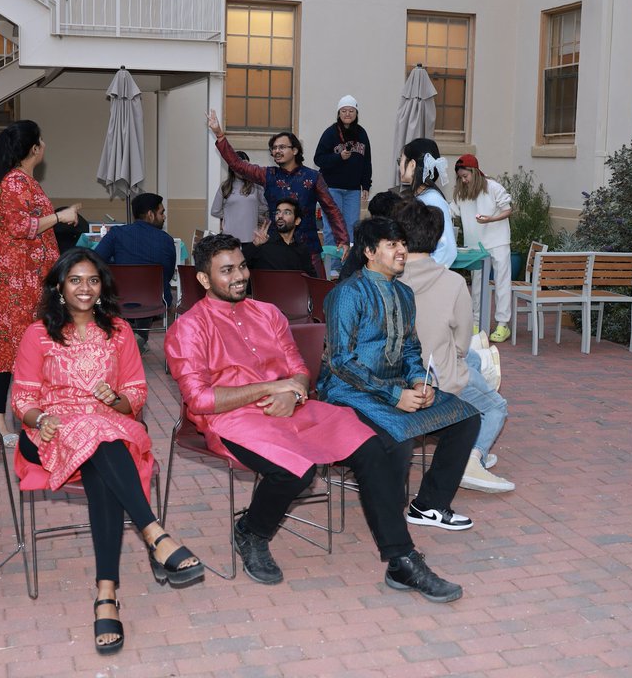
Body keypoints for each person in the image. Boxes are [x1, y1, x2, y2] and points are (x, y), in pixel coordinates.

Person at [166, 233, 464, 601]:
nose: (239, 276)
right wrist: (271, 390)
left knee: (374, 447)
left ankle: (401, 560)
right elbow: (200, 398)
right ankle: (252, 532)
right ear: (204, 279)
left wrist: (293, 392)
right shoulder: (189, 328)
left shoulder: (268, 313)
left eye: (242, 266)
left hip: (295, 408)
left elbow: (299, 371)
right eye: (226, 271)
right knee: (297, 468)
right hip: (232, 419)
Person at [14, 249, 203, 653]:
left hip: (111, 430)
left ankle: (106, 594)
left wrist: (114, 398)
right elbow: (23, 398)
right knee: (99, 440)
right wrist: (37, 419)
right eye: (75, 280)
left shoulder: (119, 331)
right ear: (59, 288)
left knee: (102, 445)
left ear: (102, 287)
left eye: (93, 280)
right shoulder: (38, 334)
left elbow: (135, 394)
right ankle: (154, 533)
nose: (85, 288)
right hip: (52, 432)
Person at [322, 217, 480, 531]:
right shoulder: (349, 294)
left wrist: (421, 381)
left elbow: (410, 349)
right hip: (346, 392)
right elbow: (341, 361)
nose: (402, 251)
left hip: (395, 389)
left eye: (403, 244)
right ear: (369, 252)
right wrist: (395, 396)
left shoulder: (404, 294)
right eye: (392, 245)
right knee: (399, 435)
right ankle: (390, 524)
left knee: (466, 418)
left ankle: (429, 505)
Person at [394, 199, 514, 493]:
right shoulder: (452, 282)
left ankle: (472, 447)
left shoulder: (387, 279)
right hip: (435, 379)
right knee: (496, 406)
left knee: (472, 361)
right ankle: (472, 460)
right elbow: (459, 343)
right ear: (436, 240)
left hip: (394, 375)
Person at [0, 120, 80, 444]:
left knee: (30, 348)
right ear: (33, 148)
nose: (45, 145)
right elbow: (22, 225)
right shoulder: (15, 182)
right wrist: (61, 216)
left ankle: (29, 415)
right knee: (9, 350)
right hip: (16, 283)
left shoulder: (24, 181)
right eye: (42, 140)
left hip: (30, 280)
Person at [205, 109, 347, 278]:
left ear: (295, 150)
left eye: (282, 147)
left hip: (308, 248)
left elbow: (331, 209)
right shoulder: (268, 175)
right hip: (274, 249)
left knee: (317, 294)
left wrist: (342, 239)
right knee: (274, 293)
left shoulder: (313, 177)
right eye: (273, 148)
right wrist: (220, 135)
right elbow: (238, 165)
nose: (276, 151)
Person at [94, 192, 177, 350]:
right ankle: (139, 336)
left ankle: (124, 336)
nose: (164, 217)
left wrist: (116, 266)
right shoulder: (166, 239)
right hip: (155, 299)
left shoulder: (117, 234)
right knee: (147, 290)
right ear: (150, 215)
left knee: (121, 290)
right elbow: (168, 273)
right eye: (162, 212)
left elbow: (96, 259)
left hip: (118, 297)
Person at [452, 154, 514, 343]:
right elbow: (451, 210)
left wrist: (491, 219)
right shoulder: (461, 192)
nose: (463, 180)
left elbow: (508, 208)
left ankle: (503, 325)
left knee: (502, 282)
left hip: (498, 240)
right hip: (476, 245)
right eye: (460, 177)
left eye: (465, 176)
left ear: (474, 172)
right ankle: (477, 323)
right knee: (478, 285)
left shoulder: (493, 187)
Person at [314, 95, 373, 274]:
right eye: (344, 111)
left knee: (351, 228)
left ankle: (348, 267)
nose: (347, 114)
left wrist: (366, 185)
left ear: (356, 113)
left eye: (351, 111)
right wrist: (338, 157)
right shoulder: (330, 133)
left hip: (353, 190)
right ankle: (333, 268)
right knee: (332, 228)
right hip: (331, 188)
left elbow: (367, 162)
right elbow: (318, 159)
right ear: (339, 113)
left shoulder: (362, 133)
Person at [399, 138, 457, 268]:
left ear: (412, 164)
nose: (399, 166)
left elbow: (448, 250)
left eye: (400, 160)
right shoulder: (419, 196)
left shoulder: (433, 199)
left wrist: (424, 274)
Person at [242, 198, 317, 276]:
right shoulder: (263, 244)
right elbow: (237, 264)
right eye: (278, 212)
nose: (280, 216)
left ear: (297, 221)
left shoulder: (302, 249)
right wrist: (254, 245)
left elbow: (313, 280)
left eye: (287, 213)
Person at [209, 150, 268, 241]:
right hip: (230, 237)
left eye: (245, 166)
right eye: (239, 165)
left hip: (251, 237)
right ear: (232, 167)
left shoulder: (256, 185)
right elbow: (215, 211)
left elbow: (265, 206)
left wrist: (252, 212)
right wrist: (231, 214)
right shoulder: (225, 186)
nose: (242, 169)